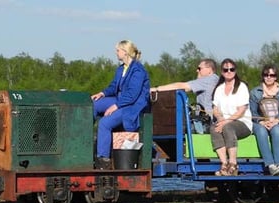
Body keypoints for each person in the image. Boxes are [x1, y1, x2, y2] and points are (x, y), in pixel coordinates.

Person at [90, 40, 150, 169]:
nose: (116, 52)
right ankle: (84, 139)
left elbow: (132, 95)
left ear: (125, 52)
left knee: (105, 123)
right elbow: (113, 87)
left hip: (132, 106)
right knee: (94, 104)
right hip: (120, 100)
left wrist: (116, 106)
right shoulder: (121, 69)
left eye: (118, 50)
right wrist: (102, 93)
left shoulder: (138, 71)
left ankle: (103, 159)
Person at [150, 59, 219, 133]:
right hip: (206, 121)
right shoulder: (215, 79)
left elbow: (182, 86)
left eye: (199, 68)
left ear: (209, 70)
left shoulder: (210, 79)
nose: (197, 71)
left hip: (207, 123)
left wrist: (155, 89)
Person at [209, 58, 252, 176]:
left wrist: (226, 121)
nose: (229, 71)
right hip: (225, 121)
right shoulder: (219, 89)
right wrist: (220, 119)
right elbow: (215, 108)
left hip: (242, 122)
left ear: (235, 71)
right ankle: (224, 164)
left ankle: (233, 164)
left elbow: (242, 110)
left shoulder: (241, 87)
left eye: (231, 69)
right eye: (226, 69)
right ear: (222, 72)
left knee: (228, 127)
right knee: (214, 128)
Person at [249, 64, 279, 176]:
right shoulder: (255, 92)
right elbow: (253, 112)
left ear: (276, 77)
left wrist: (277, 120)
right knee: (261, 131)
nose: (269, 77)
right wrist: (261, 121)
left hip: (277, 121)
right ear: (263, 76)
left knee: (276, 130)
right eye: (266, 75)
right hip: (259, 122)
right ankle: (270, 165)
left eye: (272, 75)